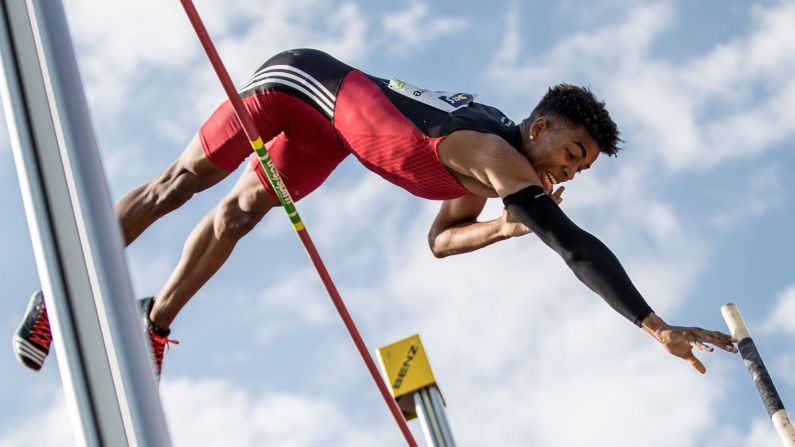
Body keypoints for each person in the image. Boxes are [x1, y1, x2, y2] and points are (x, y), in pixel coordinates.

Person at [12, 48, 737, 379]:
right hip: (299, 85)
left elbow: (442, 240)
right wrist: (654, 323)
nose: (565, 172)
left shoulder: (496, 177)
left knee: (238, 218)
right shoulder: (496, 154)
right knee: (183, 184)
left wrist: (507, 225)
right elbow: (575, 246)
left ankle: (154, 323)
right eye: (570, 153)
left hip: (330, 139)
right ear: (541, 127)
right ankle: (58, 283)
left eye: (577, 169)